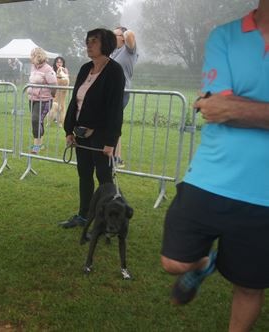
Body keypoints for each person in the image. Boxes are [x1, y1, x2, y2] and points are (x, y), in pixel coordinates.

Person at [161, 2, 269, 331]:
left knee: (250, 286)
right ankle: (205, 263)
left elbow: (225, 108)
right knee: (174, 261)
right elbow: (214, 109)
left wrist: (235, 108)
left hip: (265, 193)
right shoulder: (225, 36)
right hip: (209, 175)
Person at [59, 28, 125, 228]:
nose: (89, 44)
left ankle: (108, 220)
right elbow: (75, 101)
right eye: (88, 41)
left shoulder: (114, 71)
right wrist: (69, 130)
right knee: (84, 175)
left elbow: (115, 109)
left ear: (105, 44)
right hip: (81, 133)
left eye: (94, 41)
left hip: (102, 134)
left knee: (104, 178)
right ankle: (84, 216)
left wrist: (111, 142)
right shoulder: (85, 68)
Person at [110, 26, 137, 168]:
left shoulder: (129, 50)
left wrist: (124, 32)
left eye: (115, 35)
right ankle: (113, 155)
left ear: (122, 37)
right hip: (109, 91)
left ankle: (116, 157)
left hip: (122, 92)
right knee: (111, 123)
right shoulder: (113, 51)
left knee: (113, 123)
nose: (112, 37)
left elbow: (131, 36)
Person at [27, 47, 57, 154]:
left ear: (38, 56)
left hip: (44, 100)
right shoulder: (33, 67)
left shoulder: (48, 69)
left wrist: (52, 96)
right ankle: (41, 144)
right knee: (37, 121)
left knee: (36, 120)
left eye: (32, 56)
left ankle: (36, 147)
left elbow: (54, 85)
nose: (30, 58)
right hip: (32, 99)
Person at [47, 56, 70, 127]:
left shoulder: (65, 70)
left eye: (61, 62)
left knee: (62, 107)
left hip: (62, 92)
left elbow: (67, 81)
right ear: (55, 63)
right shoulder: (51, 69)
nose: (59, 63)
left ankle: (60, 122)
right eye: (58, 62)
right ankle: (49, 121)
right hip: (54, 91)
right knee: (53, 106)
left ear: (63, 63)